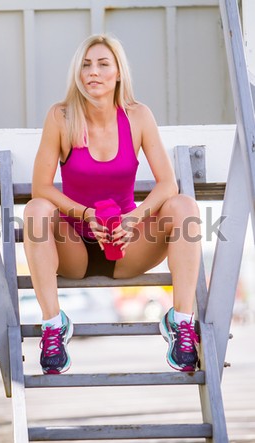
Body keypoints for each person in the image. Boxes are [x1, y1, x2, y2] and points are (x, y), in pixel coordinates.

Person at [23, 34, 201, 375]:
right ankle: (52, 325)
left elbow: (167, 184)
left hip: (128, 246)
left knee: (184, 206)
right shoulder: (60, 117)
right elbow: (40, 187)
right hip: (73, 249)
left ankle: (180, 323)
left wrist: (134, 219)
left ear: (118, 72)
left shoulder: (138, 116)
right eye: (86, 65)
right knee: (35, 210)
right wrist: (85, 213)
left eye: (104, 64)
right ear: (77, 73)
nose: (94, 72)